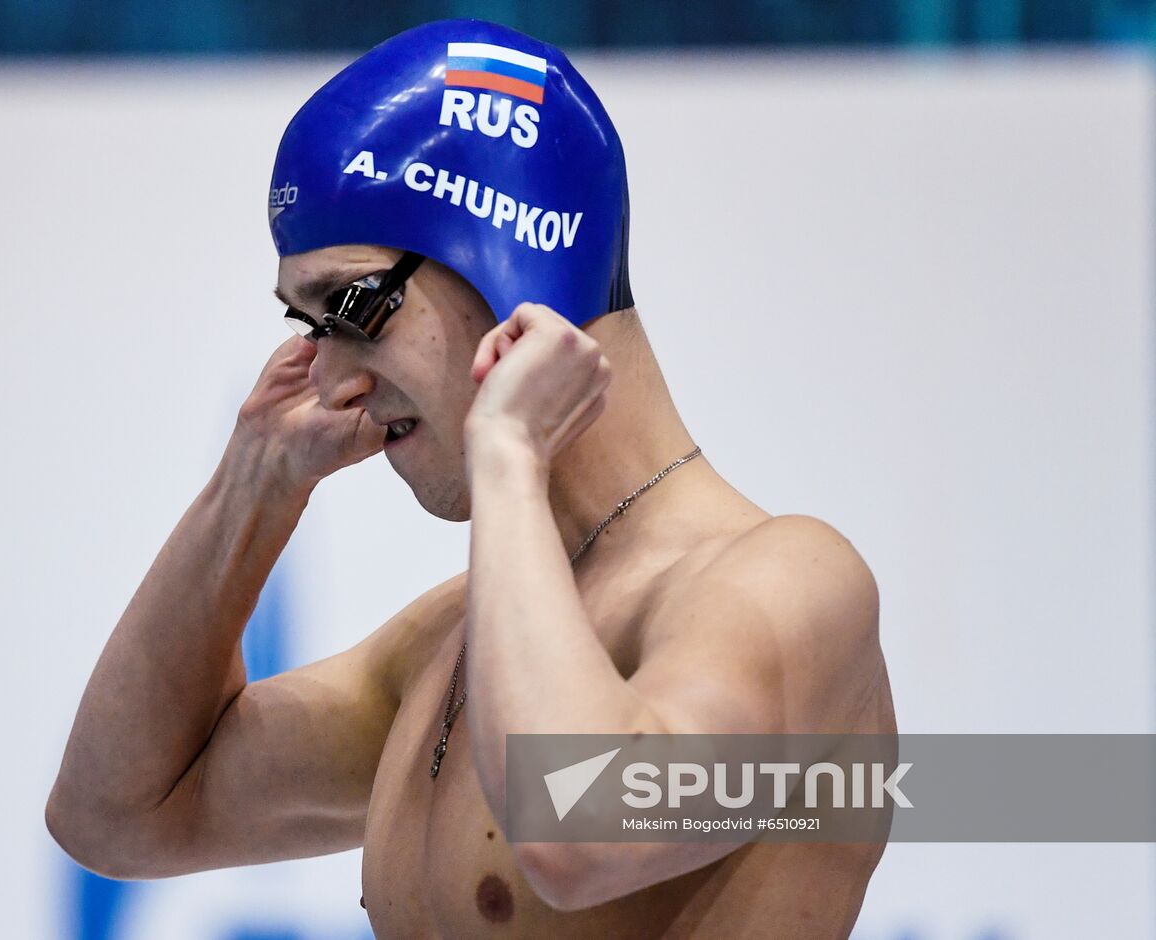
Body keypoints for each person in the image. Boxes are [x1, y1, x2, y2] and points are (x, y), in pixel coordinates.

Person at [46, 19, 895, 937]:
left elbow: (580, 836)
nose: (334, 382)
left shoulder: (791, 585)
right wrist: (250, 489)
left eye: (356, 307)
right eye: (310, 327)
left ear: (511, 267)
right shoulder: (446, 648)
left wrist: (507, 458)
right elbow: (116, 816)